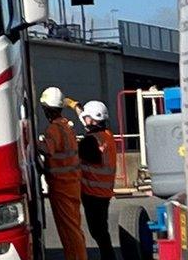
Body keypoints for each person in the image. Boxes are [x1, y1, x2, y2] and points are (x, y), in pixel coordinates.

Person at [37, 87, 88, 260]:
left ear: (47, 109)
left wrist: (31, 142)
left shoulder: (53, 130)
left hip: (61, 186)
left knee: (69, 231)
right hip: (71, 184)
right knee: (74, 227)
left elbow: (47, 150)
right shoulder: (66, 126)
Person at [77, 100, 120, 260]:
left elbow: (79, 154)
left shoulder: (89, 141)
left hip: (92, 194)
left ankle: (109, 258)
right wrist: (78, 109)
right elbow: (89, 125)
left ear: (92, 119)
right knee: (102, 230)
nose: (84, 120)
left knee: (98, 231)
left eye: (86, 117)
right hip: (104, 192)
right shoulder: (107, 136)